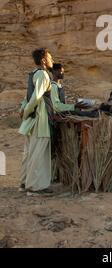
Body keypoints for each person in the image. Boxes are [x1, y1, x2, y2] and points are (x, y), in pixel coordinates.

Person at [19, 48, 54, 194]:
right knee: (38, 153)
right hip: (40, 118)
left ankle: (24, 183)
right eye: (50, 57)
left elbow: (28, 97)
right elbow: (36, 97)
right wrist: (26, 111)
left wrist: (24, 110)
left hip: (32, 118)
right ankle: (35, 187)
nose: (52, 59)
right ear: (44, 60)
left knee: (30, 151)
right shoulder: (42, 74)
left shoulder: (33, 73)